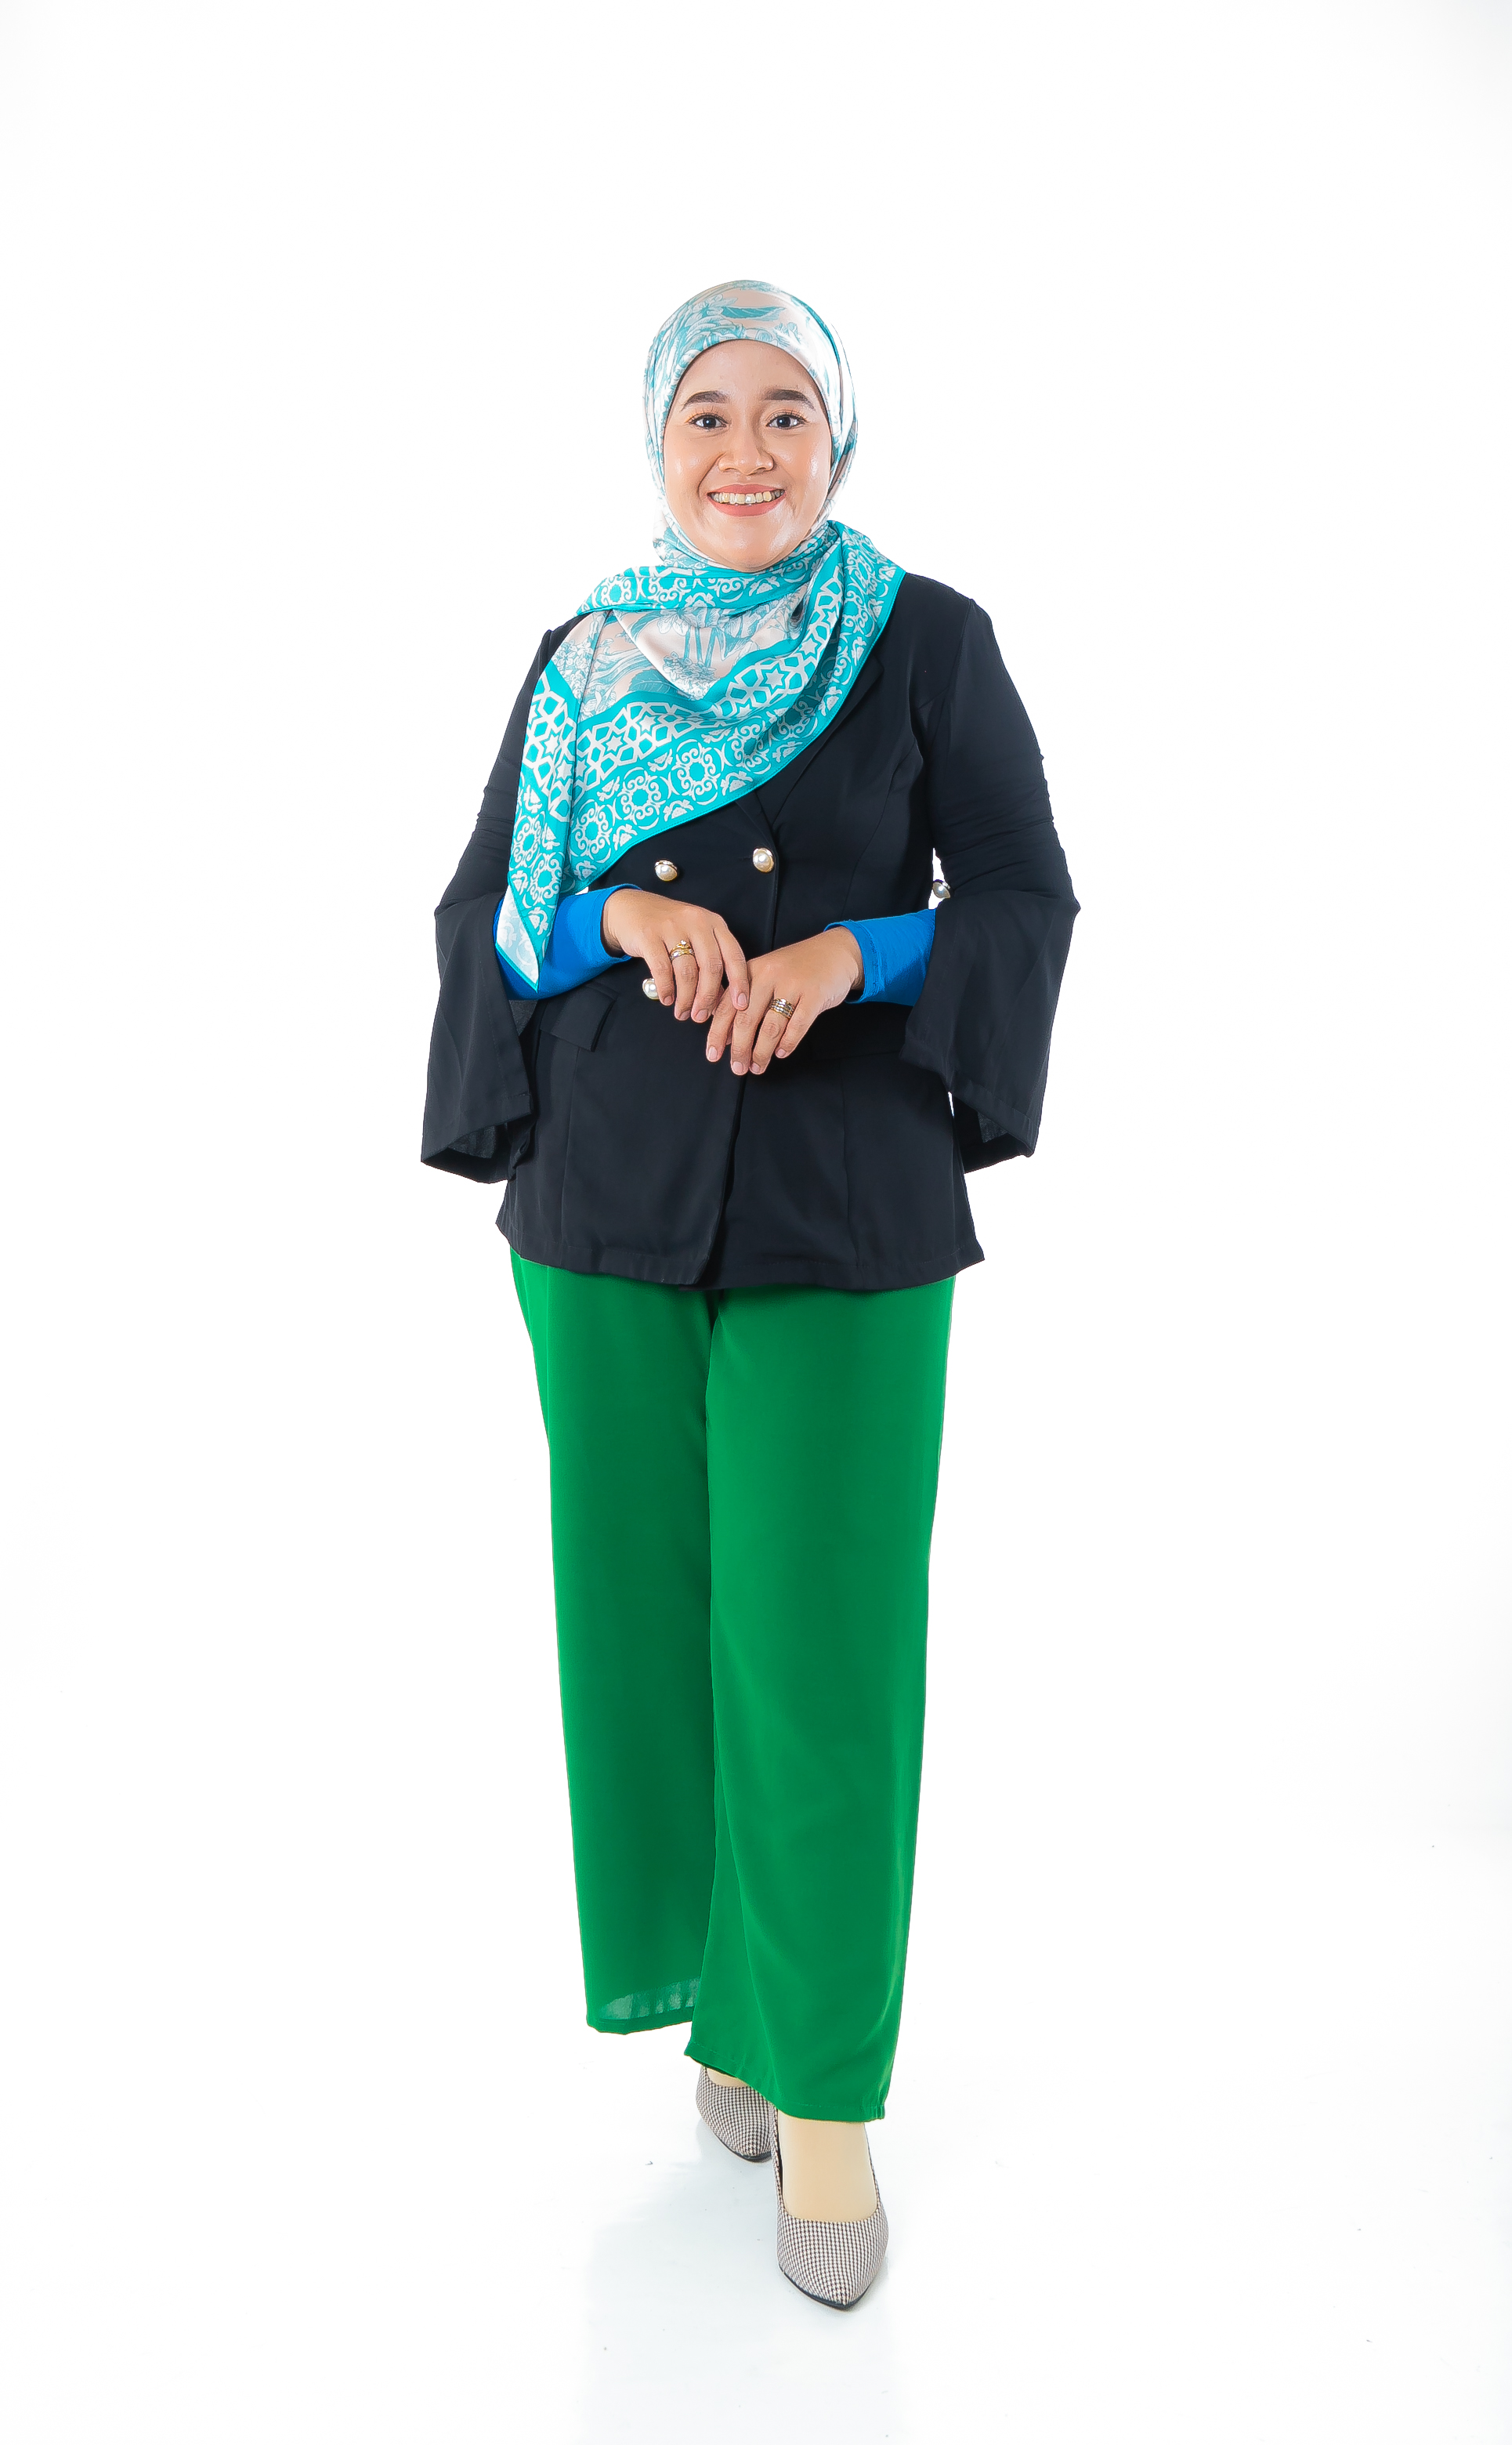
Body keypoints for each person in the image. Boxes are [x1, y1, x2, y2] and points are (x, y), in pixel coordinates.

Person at [421, 279, 1077, 2307]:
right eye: (706, 412)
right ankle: (721, 2000)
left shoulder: (923, 638)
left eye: (786, 411)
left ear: (837, 443)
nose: (744, 448)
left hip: (840, 1205)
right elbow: (488, 911)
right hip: (604, 1201)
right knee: (644, 1626)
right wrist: (618, 910)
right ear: (657, 443)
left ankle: (827, 2091)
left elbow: (1023, 889)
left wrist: (850, 958)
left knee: (822, 1649)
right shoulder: (583, 655)